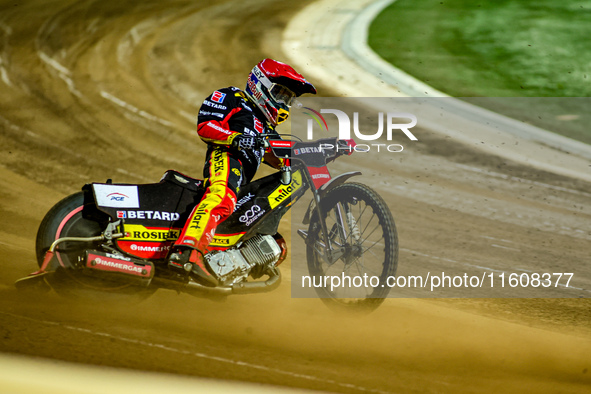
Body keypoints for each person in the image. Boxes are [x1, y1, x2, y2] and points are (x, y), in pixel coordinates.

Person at [168, 58, 316, 283]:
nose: (284, 102)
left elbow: (283, 158)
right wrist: (235, 138)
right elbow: (205, 126)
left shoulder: (267, 129)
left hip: (242, 175)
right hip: (226, 157)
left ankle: (231, 264)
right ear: (261, 85)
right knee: (221, 197)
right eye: (280, 93)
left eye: (288, 98)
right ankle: (186, 252)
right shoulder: (233, 97)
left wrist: (320, 151)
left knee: (264, 230)